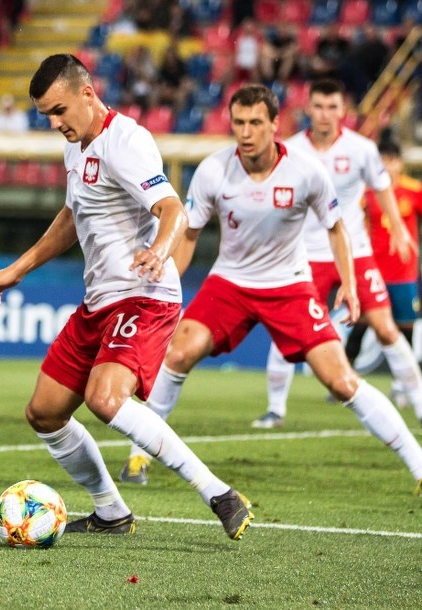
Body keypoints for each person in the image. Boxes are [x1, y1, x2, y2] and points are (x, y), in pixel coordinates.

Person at [0, 54, 253, 541]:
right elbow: (72, 217)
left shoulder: (126, 142)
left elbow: (172, 210)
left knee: (105, 399)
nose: (55, 122)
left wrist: (158, 251)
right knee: (43, 412)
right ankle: (110, 511)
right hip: (99, 300)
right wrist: (15, 269)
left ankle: (220, 493)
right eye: (46, 114)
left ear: (88, 93)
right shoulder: (76, 145)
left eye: (60, 110)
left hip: (144, 295)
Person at [117, 84, 422, 496]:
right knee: (179, 352)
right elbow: (188, 234)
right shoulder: (213, 170)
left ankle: (418, 466)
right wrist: (166, 284)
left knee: (340, 380)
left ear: (275, 124)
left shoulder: (307, 171)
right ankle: (140, 454)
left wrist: (349, 283)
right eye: (238, 122)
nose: (245, 132)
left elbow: (337, 228)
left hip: (289, 285)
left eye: (255, 122)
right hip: (230, 283)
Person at [254, 79, 421, 429]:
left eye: (332, 107)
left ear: (343, 111)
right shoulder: (291, 149)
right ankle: (275, 409)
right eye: (319, 106)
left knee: (387, 329)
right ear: (308, 109)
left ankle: (419, 405)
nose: (325, 114)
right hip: (304, 255)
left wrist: (399, 228)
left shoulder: (362, 149)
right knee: (288, 331)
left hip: (355, 251)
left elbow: (383, 188)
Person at [344, 137, 422, 419]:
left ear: (400, 163)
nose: (388, 166)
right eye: (383, 161)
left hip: (403, 274)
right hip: (372, 271)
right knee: (361, 325)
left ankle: (403, 385)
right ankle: (343, 376)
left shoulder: (414, 191)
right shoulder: (366, 193)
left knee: (405, 329)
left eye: (392, 160)